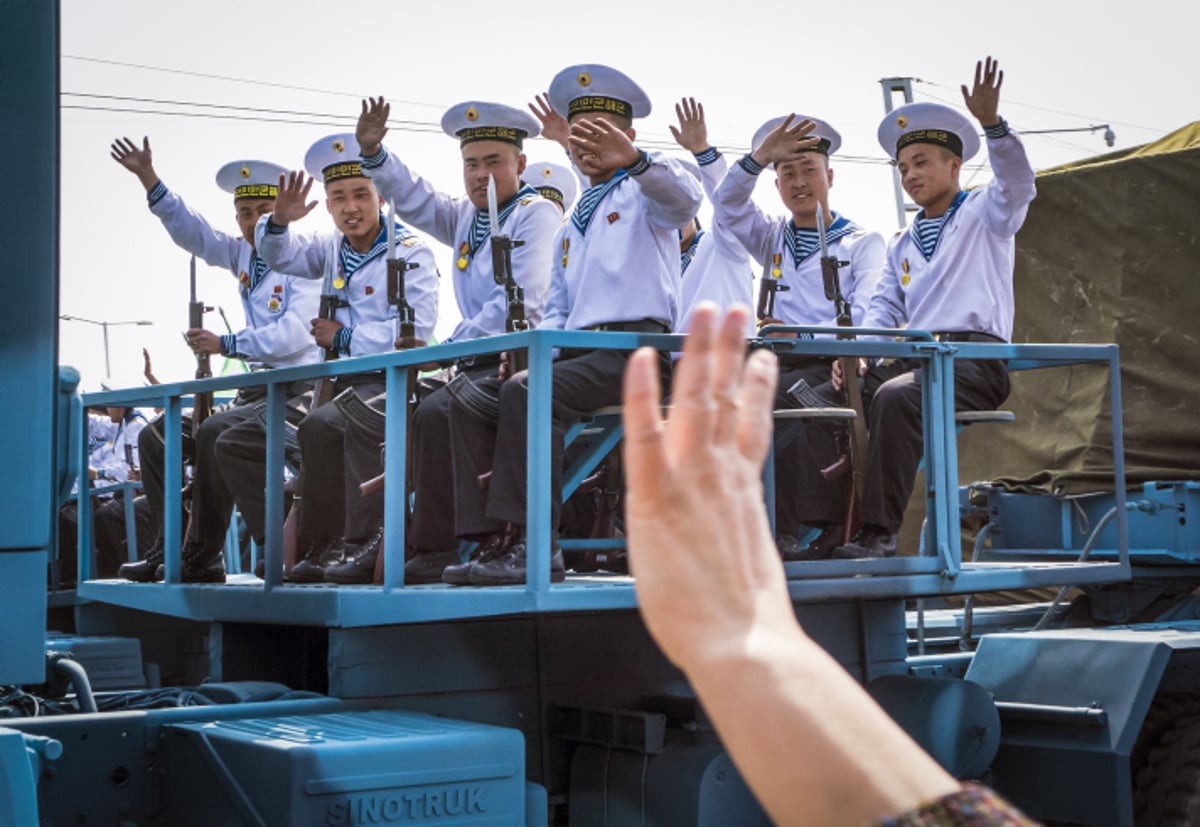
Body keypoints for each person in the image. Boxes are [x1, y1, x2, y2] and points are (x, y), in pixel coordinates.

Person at [622, 302, 1034, 826]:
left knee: (882, 393)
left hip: (951, 358)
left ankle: (870, 530)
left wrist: (747, 651)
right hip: (896, 352)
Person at [442, 63, 702, 586]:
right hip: (584, 353)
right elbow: (557, 305)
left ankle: (533, 542)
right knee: (492, 392)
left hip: (638, 351)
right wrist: (539, 351)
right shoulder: (575, 219)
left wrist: (634, 160)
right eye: (579, 134)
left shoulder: (644, 190)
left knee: (529, 392)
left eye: (601, 133)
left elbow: (685, 199)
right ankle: (491, 537)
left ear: (628, 137)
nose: (587, 145)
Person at [317, 98, 559, 585]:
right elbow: (414, 197)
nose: (480, 175)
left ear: (521, 164)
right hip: (475, 359)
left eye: (493, 162)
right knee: (413, 413)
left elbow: (524, 303)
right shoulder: (470, 217)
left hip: (518, 355)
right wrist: (374, 152)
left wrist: (449, 344)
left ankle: (490, 539)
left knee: (447, 409)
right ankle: (423, 542)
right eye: (471, 164)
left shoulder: (536, 214)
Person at [832, 57, 1034, 559]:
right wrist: (856, 353)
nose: (911, 175)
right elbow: (881, 307)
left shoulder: (985, 213)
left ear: (954, 165)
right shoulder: (903, 243)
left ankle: (878, 536)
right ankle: (818, 529)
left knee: (898, 398)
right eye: (903, 167)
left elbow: (1019, 184)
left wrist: (993, 125)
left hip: (971, 361)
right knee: (822, 398)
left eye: (922, 161)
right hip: (919, 359)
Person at [215, 133, 439, 582]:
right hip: (343, 383)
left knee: (338, 423)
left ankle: (365, 541)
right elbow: (281, 254)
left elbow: (416, 330)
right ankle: (318, 545)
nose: (350, 207)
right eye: (338, 197)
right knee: (316, 427)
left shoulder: (411, 252)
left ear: (380, 196)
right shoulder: (333, 249)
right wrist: (277, 220)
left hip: (393, 380)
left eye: (360, 194)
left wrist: (344, 338)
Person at [108, 139, 322, 583]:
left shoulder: (302, 256)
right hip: (255, 391)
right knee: (158, 437)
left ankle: (208, 554)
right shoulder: (245, 255)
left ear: (284, 208)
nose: (252, 223)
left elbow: (295, 336)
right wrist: (150, 179)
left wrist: (226, 343)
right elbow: (196, 234)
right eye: (245, 214)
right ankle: (168, 546)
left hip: (297, 387)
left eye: (264, 211)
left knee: (214, 431)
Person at [712, 113, 884, 560]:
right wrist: (758, 158)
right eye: (786, 172)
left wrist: (806, 335)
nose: (799, 181)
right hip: (774, 363)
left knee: (783, 399)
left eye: (808, 169)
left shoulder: (862, 243)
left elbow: (868, 315)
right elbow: (727, 205)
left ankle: (786, 529)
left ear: (830, 175)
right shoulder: (771, 237)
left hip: (834, 366)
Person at [668, 97, 757, 338]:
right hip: (666, 367)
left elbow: (728, 201)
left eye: (678, 205)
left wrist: (701, 150)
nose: (671, 216)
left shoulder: (720, 243)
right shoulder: (654, 259)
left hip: (720, 365)